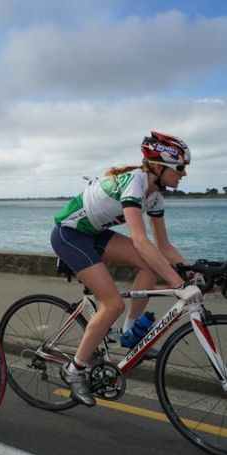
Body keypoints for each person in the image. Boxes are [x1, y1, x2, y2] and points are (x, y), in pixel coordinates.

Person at [50, 131, 203, 407]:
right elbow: (141, 241)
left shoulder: (154, 197)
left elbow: (163, 246)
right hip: (69, 235)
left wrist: (191, 271)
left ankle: (130, 334)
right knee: (112, 304)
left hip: (94, 234)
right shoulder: (135, 183)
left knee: (148, 265)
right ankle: (75, 370)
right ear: (158, 166)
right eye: (180, 168)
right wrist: (179, 285)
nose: (184, 174)